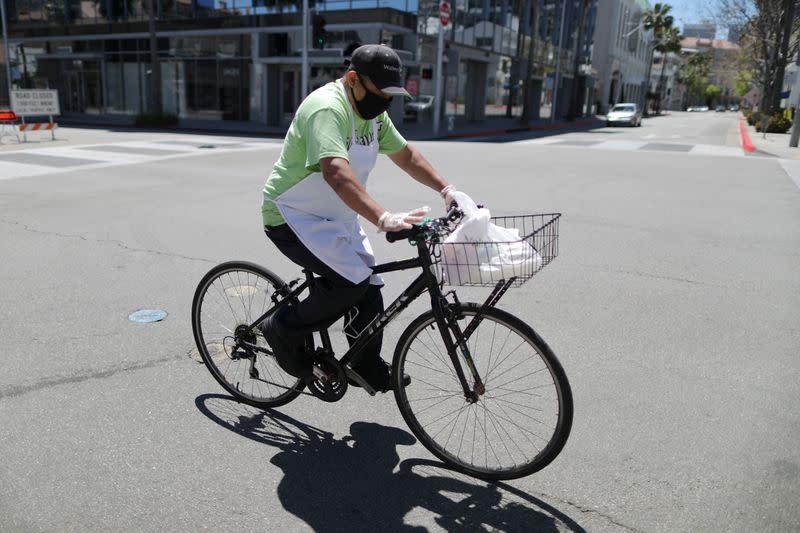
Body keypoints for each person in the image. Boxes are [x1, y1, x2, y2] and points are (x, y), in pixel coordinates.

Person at [260, 44, 467, 392]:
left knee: (369, 284)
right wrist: (382, 217)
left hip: (335, 215)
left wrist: (448, 191)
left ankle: (364, 363)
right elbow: (336, 173)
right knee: (350, 283)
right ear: (353, 79)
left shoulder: (372, 114)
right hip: (293, 214)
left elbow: (406, 155)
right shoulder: (327, 108)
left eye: (390, 96)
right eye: (379, 94)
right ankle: (281, 327)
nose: (384, 103)